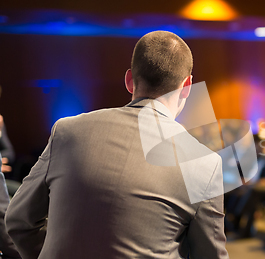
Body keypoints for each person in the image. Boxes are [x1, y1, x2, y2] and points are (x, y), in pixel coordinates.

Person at [5, 31, 228, 259]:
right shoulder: (204, 164)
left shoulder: (67, 131)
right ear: (187, 86)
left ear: (130, 80)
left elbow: (18, 221)